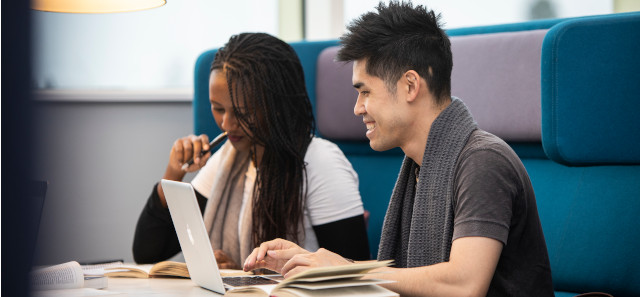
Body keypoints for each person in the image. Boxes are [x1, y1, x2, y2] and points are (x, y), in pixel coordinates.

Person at [242, 2, 555, 296]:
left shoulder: (483, 162)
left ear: (410, 85)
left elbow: (464, 285)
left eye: (365, 91)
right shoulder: (420, 166)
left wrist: (347, 271)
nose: (357, 108)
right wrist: (313, 268)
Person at [132, 33, 370, 269]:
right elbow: (148, 253)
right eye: (218, 109)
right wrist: (174, 174)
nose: (227, 124)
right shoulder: (227, 159)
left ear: (276, 106)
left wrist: (243, 276)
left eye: (242, 112)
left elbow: (353, 277)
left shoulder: (320, 162)